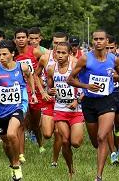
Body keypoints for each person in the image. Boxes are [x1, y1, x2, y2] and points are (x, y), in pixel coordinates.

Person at [68, 29, 119, 181]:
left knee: (101, 136)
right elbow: (70, 80)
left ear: (107, 41)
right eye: (95, 39)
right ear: (92, 41)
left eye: (101, 39)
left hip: (107, 100)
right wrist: (86, 86)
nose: (98, 41)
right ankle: (102, 153)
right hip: (89, 102)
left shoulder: (113, 59)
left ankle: (98, 176)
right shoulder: (85, 59)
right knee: (95, 141)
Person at [0, 39, 36, 181]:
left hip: (18, 106)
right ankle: (13, 165)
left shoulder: (21, 67)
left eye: (4, 54)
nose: (1, 58)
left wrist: (33, 93)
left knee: (12, 134)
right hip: (0, 110)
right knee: (5, 141)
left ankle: (17, 166)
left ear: (12, 53)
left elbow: (30, 76)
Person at [46, 42, 84, 178]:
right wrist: (50, 91)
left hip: (76, 111)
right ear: (54, 53)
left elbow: (84, 87)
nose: (60, 55)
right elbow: (49, 88)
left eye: (64, 53)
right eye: (58, 52)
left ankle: (71, 166)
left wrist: (77, 100)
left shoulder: (75, 67)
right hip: (60, 110)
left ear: (69, 54)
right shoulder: (51, 69)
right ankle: (70, 169)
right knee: (65, 141)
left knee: (76, 142)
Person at [36, 31, 68, 167]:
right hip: (48, 99)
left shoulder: (72, 60)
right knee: (48, 134)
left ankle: (54, 160)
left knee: (58, 132)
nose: (57, 46)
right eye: (55, 43)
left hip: (63, 100)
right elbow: (35, 75)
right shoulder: (45, 58)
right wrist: (43, 91)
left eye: (61, 43)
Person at [14, 28, 44, 159]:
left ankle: (40, 144)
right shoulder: (13, 54)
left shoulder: (35, 52)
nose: (21, 40)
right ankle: (21, 153)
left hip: (34, 90)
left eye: (23, 37)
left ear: (27, 39)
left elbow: (43, 66)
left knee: (35, 122)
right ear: (15, 39)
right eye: (18, 37)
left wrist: (41, 79)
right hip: (20, 90)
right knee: (22, 121)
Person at [105, 35, 119, 165]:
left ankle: (118, 146)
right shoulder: (97, 60)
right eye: (106, 48)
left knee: (118, 126)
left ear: (115, 47)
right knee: (108, 126)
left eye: (111, 48)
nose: (108, 50)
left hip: (118, 95)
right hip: (105, 96)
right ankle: (112, 152)